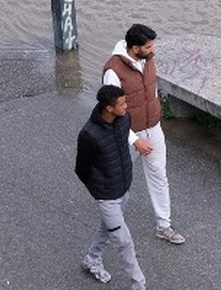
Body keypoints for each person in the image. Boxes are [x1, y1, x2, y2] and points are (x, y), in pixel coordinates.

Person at [103, 23, 185, 245]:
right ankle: (112, 225)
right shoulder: (113, 71)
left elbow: (151, 90)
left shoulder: (148, 60)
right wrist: (135, 140)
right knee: (120, 181)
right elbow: (111, 112)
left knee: (159, 176)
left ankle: (164, 225)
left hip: (153, 128)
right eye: (148, 47)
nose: (153, 50)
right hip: (127, 135)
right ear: (135, 48)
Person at [76, 85, 147, 289]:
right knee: (124, 241)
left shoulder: (124, 120)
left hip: (123, 189)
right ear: (109, 108)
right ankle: (139, 284)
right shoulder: (88, 135)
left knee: (106, 228)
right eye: (122, 104)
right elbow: (81, 169)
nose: (126, 106)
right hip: (107, 196)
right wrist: (100, 192)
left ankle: (92, 259)